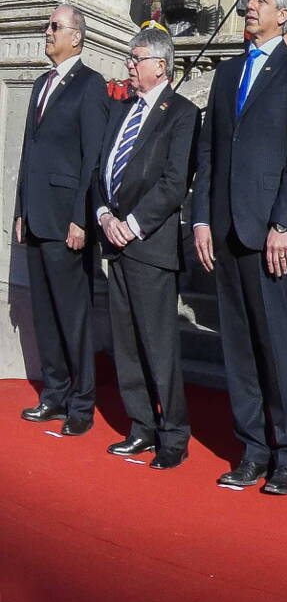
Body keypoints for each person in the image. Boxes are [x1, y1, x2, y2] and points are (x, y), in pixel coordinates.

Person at [192, 0, 287, 492]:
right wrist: (200, 218)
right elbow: (209, 153)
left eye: (261, 0)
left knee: (277, 345)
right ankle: (252, 448)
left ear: (284, 15)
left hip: (270, 234)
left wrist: (283, 223)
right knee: (238, 346)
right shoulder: (226, 75)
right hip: (223, 230)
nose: (249, 5)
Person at [89, 27, 197, 466]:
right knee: (127, 342)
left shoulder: (182, 113)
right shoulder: (122, 111)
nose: (129, 66)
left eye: (136, 59)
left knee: (158, 344)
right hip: (115, 241)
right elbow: (101, 170)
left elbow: (175, 182)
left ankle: (173, 435)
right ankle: (141, 427)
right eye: (130, 59)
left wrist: (130, 225)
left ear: (161, 64)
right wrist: (103, 217)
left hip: (149, 246)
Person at [15, 5, 110, 435]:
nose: (47, 31)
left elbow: (93, 158)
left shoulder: (89, 86)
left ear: (76, 36)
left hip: (67, 221)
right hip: (36, 216)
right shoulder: (40, 84)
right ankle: (53, 394)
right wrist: (20, 210)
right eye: (48, 25)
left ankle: (80, 404)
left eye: (55, 26)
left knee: (73, 315)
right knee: (45, 312)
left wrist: (81, 218)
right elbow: (28, 153)